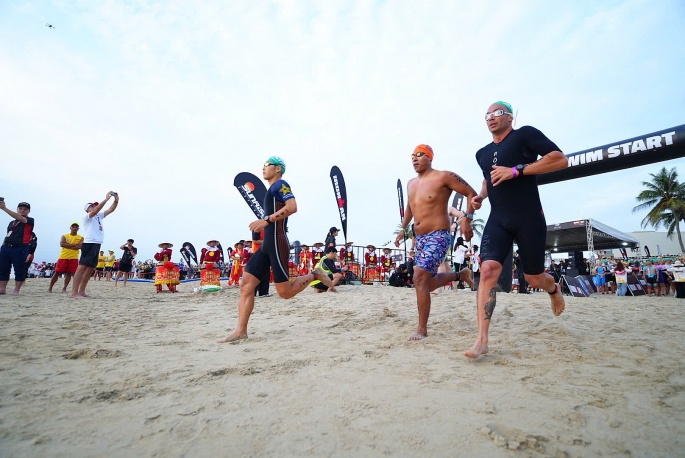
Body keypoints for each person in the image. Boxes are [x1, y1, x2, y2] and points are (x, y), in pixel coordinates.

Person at [464, 102, 568, 358]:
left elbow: (560, 160)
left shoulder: (525, 135)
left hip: (529, 217)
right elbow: (488, 179)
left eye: (497, 113)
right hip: (498, 218)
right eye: (487, 115)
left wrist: (516, 170)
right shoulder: (482, 153)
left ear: (510, 117)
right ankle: (481, 340)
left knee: (534, 278)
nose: (491, 118)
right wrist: (480, 197)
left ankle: (553, 289)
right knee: (487, 270)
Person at [218, 157, 333, 343]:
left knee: (285, 292)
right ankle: (241, 331)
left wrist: (267, 220)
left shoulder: (281, 185)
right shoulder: (271, 190)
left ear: (278, 169)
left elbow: (292, 207)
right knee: (246, 285)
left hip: (278, 243)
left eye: (266, 165)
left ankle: (315, 274)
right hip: (266, 245)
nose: (263, 168)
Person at [394, 144, 478, 341]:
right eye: (412, 156)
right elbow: (410, 208)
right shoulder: (410, 183)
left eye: (419, 155)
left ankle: (421, 329)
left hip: (438, 235)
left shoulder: (443, 177)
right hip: (420, 238)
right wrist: (403, 229)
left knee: (419, 278)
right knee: (427, 283)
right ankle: (460, 275)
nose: (414, 159)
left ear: (430, 158)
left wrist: (467, 218)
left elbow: (471, 193)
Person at [70, 193, 118, 298]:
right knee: (82, 268)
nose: (94, 206)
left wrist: (116, 200)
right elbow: (95, 211)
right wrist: (106, 199)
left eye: (94, 205)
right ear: (87, 209)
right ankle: (74, 292)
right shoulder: (86, 217)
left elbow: (111, 209)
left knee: (90, 269)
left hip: (97, 243)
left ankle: (82, 292)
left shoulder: (99, 216)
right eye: (92, 206)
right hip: (89, 243)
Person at [0, 201, 34, 295]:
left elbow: (20, 218)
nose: (22, 210)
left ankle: (16, 289)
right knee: (3, 268)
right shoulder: (12, 222)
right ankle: (2, 288)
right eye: (20, 209)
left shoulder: (30, 220)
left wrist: (4, 208)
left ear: (28, 211)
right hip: (7, 247)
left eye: (25, 209)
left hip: (20, 247)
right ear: (17, 209)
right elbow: (8, 234)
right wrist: (2, 246)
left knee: (19, 269)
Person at [49, 222, 84, 293]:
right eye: (73, 227)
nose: (75, 228)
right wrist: (74, 245)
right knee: (57, 272)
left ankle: (64, 288)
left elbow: (80, 246)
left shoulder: (81, 237)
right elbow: (62, 244)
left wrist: (68, 245)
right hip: (63, 257)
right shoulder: (65, 236)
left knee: (69, 273)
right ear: (70, 228)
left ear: (78, 228)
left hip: (74, 258)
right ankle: (50, 288)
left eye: (76, 227)